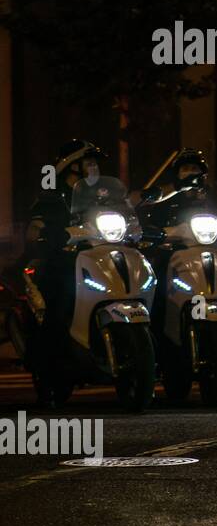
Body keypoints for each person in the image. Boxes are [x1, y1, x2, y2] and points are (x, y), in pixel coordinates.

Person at [135, 148, 217, 405]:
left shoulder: (214, 195)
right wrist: (152, 233)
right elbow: (144, 211)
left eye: (196, 169)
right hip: (174, 255)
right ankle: (149, 367)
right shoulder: (166, 194)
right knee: (156, 301)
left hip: (213, 255)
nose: (191, 174)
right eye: (186, 169)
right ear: (176, 172)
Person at [22, 140, 107, 404]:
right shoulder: (52, 194)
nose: (95, 167)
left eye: (95, 162)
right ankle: (50, 370)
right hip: (63, 261)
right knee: (58, 307)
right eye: (89, 162)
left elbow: (127, 209)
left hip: (97, 258)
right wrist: (43, 234)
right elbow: (35, 227)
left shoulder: (100, 194)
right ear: (72, 165)